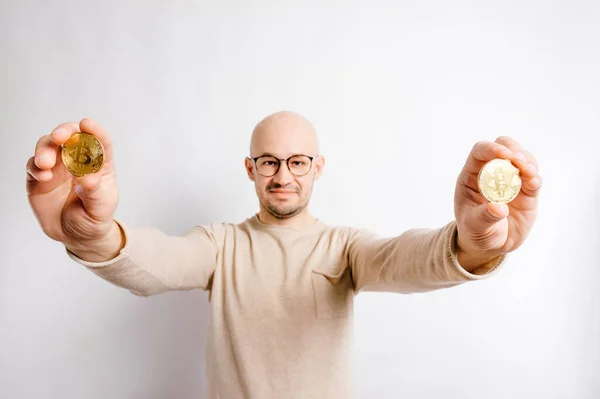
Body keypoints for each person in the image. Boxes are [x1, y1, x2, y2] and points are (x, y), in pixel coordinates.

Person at [26, 111, 542, 398]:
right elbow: (156, 264)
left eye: (297, 161)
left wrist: (469, 244)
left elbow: (404, 260)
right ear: (250, 169)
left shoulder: (345, 247)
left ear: (318, 167)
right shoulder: (220, 245)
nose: (283, 175)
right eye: (270, 161)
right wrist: (91, 235)